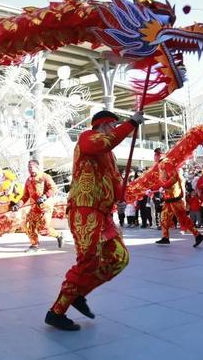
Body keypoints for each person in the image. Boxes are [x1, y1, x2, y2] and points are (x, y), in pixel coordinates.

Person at [46, 110, 143, 331]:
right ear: (103, 125)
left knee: (120, 258)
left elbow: (114, 179)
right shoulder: (87, 138)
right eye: (112, 125)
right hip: (85, 209)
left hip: (103, 213)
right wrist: (129, 124)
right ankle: (57, 311)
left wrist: (119, 198)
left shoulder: (109, 154)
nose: (114, 130)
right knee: (88, 260)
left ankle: (79, 292)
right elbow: (101, 144)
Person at [154, 151, 203, 247]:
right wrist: (152, 189)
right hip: (168, 197)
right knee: (164, 217)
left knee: (182, 218)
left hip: (174, 196)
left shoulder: (167, 163)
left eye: (155, 155)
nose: (154, 158)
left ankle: (198, 235)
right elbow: (162, 180)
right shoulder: (161, 165)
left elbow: (174, 177)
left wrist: (164, 186)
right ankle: (165, 237)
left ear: (158, 155)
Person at [14, 160, 63, 251]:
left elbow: (53, 188)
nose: (29, 169)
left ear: (37, 167)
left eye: (31, 167)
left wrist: (44, 197)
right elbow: (25, 196)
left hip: (45, 208)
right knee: (28, 225)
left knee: (43, 230)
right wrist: (18, 204)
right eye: (28, 168)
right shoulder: (28, 180)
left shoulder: (45, 177)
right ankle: (34, 245)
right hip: (34, 209)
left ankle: (58, 235)